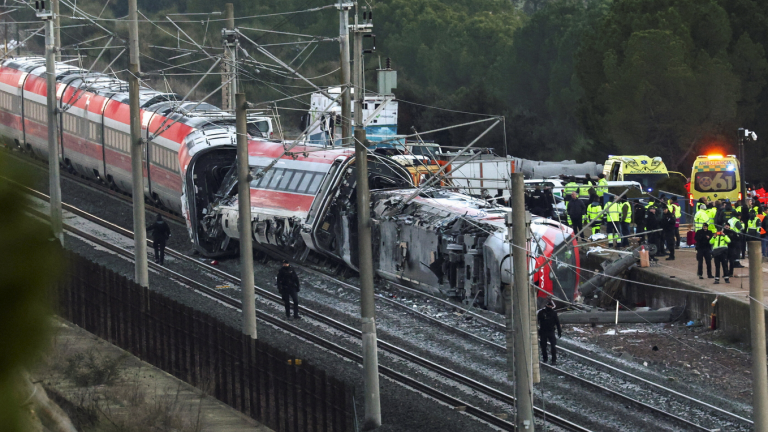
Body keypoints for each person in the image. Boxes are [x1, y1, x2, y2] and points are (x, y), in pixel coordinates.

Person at [537, 299, 562, 366]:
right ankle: (545, 359)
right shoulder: (541, 313)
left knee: (553, 346)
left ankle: (553, 360)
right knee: (543, 346)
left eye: (550, 305)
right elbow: (537, 321)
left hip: (550, 331)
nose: (550, 307)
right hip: (543, 331)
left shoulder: (553, 313)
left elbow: (557, 322)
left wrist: (559, 331)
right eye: (549, 305)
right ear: (546, 305)